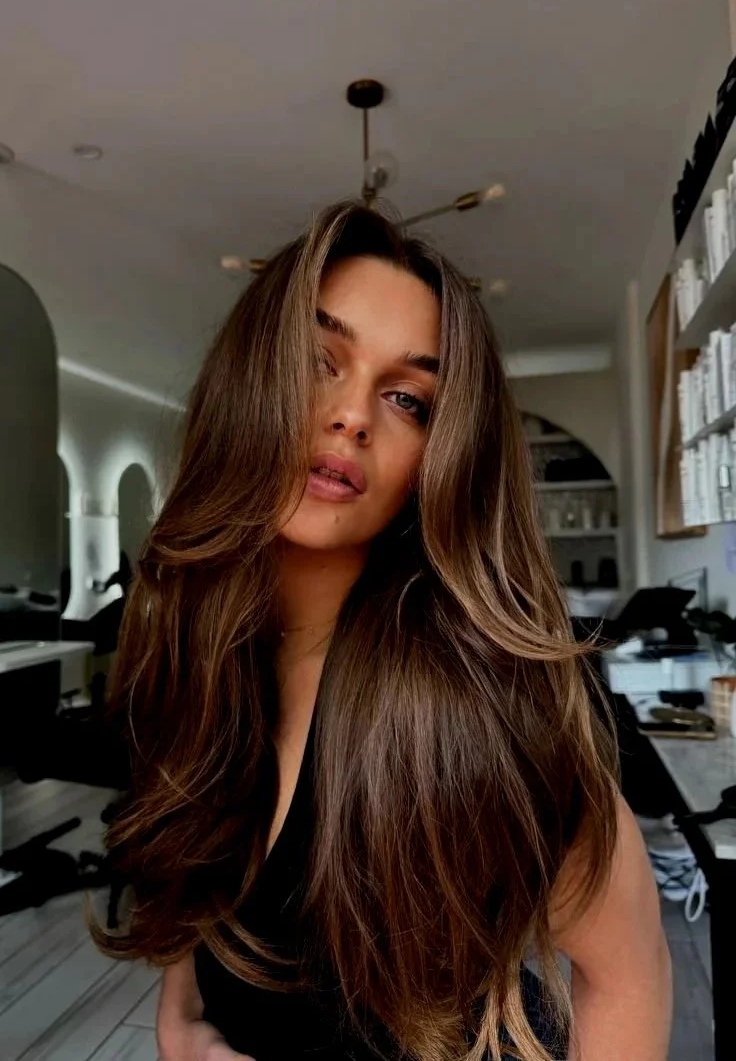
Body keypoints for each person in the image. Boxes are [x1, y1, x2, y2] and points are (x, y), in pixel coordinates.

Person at [94, 202, 671, 1061]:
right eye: (316, 360)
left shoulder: (483, 700)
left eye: (407, 397)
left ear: (440, 455)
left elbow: (632, 971)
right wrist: (181, 1029)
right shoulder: (181, 661)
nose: (353, 414)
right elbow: (191, 899)